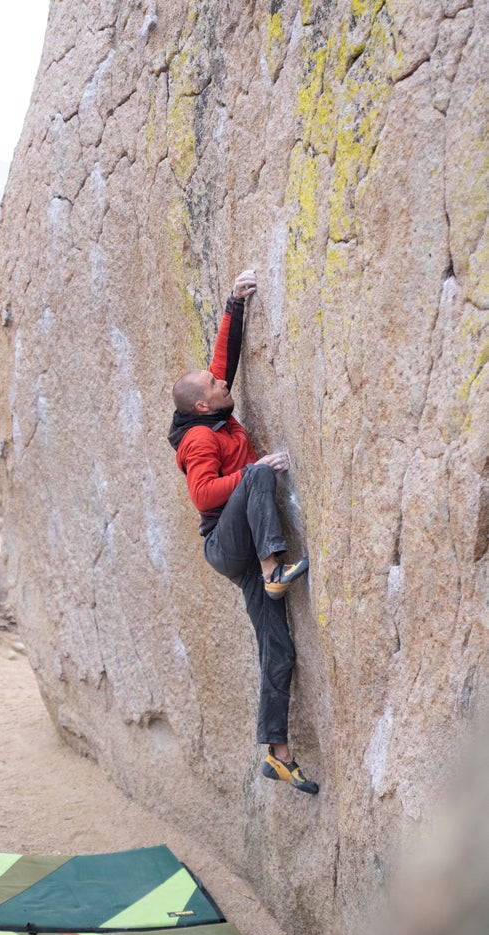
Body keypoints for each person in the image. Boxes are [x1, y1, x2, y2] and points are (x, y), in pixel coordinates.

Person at [167, 268, 318, 794]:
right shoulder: (198, 442)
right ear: (202, 407)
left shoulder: (212, 408)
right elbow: (204, 495)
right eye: (212, 388)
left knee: (278, 648)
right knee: (255, 473)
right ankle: (276, 568)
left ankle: (278, 754)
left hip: (248, 549)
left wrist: (235, 302)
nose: (221, 382)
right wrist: (256, 475)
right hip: (229, 546)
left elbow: (221, 363)